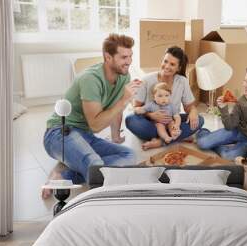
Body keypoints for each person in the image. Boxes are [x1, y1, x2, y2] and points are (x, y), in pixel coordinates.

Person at [42, 33, 140, 199]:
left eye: (130, 56)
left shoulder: (124, 76)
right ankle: (96, 203)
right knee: (95, 164)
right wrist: (124, 100)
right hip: (59, 133)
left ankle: (63, 176)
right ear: (108, 57)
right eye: (124, 57)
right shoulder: (90, 79)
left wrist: (115, 136)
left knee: (130, 155)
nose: (129, 61)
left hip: (85, 135)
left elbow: (115, 110)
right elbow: (95, 125)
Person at [125, 46, 204, 150]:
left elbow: (189, 107)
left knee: (200, 120)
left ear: (178, 68)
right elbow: (136, 107)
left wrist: (193, 111)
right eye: (165, 61)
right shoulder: (147, 80)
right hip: (151, 123)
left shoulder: (182, 81)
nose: (167, 66)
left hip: (171, 121)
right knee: (130, 119)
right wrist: (151, 115)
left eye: (172, 64)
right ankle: (174, 137)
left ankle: (161, 141)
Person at [196, 65, 247, 160]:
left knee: (227, 156)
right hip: (236, 132)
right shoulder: (242, 99)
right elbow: (230, 126)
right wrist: (223, 108)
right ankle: (205, 132)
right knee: (202, 143)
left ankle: (216, 144)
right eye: (244, 81)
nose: (244, 85)